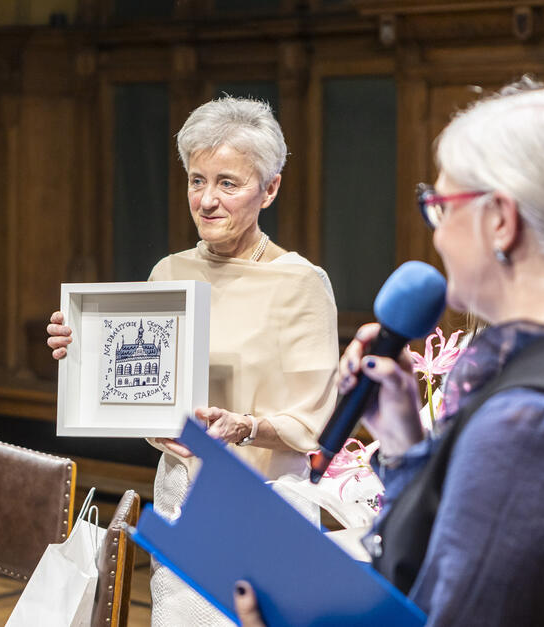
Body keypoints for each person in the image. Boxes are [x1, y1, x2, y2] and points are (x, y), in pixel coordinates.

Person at [234, 80, 544, 625]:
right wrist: (402, 444)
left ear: (501, 219)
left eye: (440, 206)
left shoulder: (528, 424)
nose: (437, 236)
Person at [48, 96, 339, 625]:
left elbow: (313, 425)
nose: (207, 200)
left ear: (269, 188)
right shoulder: (169, 274)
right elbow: (147, 391)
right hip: (181, 494)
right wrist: (83, 352)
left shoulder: (300, 283)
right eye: (196, 180)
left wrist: (245, 426)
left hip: (266, 505)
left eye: (228, 182)